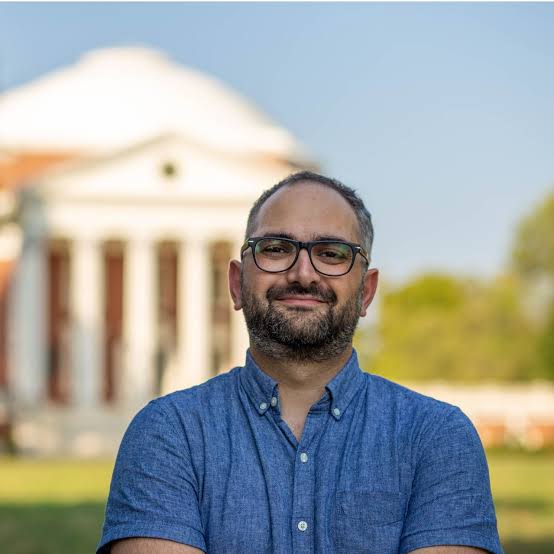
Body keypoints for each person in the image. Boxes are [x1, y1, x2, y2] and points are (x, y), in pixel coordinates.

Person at [98, 171, 503, 554]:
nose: (303, 273)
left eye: (332, 253)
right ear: (237, 284)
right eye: (276, 249)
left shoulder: (436, 437)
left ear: (366, 292)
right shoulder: (169, 433)